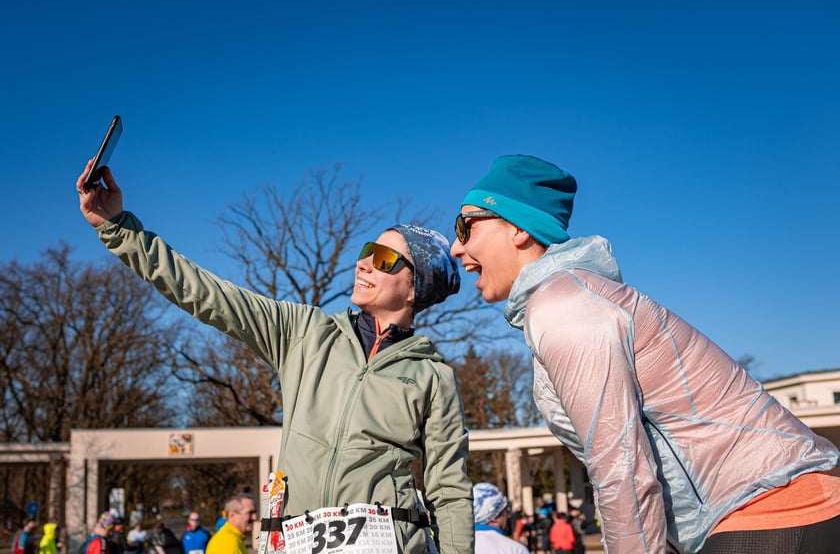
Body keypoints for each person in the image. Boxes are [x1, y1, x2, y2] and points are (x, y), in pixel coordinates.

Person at [450, 154, 840, 553]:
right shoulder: (569, 298)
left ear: (517, 229)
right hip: (763, 512)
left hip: (769, 512)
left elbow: (622, 465)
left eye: (465, 227)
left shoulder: (563, 305)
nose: (455, 248)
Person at [76, 162, 473, 554]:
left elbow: (450, 492)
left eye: (385, 259)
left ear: (414, 289)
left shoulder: (432, 377)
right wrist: (118, 228)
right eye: (368, 251)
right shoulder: (304, 332)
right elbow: (206, 292)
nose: (363, 263)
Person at [472, 483, 528, 554]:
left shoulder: (459, 546)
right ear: (494, 516)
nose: (508, 515)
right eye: (505, 510)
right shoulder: (515, 550)